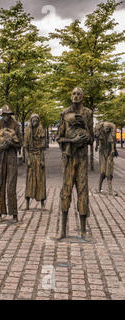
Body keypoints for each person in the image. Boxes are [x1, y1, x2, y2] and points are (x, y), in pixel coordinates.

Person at [56, 87, 93, 241]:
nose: (76, 96)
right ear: (70, 96)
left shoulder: (88, 113)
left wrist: (84, 131)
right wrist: (72, 141)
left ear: (83, 97)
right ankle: (63, 230)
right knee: (66, 190)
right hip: (69, 158)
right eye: (73, 93)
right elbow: (59, 138)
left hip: (82, 158)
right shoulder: (64, 113)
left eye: (79, 94)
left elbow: (91, 138)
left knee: (83, 190)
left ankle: (83, 230)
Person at [0, 105, 22, 223]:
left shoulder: (16, 125)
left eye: (8, 115)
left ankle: (14, 213)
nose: (6, 117)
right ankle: (0, 212)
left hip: (11, 156)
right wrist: (0, 146)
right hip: (1, 156)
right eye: (4, 115)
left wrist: (12, 144)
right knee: (0, 184)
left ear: (10, 115)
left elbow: (20, 144)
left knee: (11, 185)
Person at [24, 114, 46, 210]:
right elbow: (26, 147)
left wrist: (41, 160)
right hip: (31, 156)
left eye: (37, 120)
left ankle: (42, 203)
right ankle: (27, 203)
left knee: (40, 179)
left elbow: (42, 147)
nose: (35, 122)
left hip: (39, 156)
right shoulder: (27, 130)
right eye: (33, 120)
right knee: (30, 179)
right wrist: (28, 159)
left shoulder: (41, 130)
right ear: (31, 120)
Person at [95, 121, 118, 195]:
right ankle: (99, 188)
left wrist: (113, 150)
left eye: (108, 128)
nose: (106, 129)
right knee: (102, 172)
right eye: (105, 128)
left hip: (109, 153)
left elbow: (112, 144)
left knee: (109, 171)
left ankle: (110, 190)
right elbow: (97, 138)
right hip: (102, 153)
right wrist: (96, 145)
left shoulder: (111, 134)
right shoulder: (100, 132)